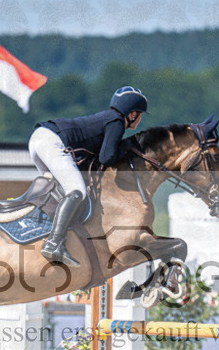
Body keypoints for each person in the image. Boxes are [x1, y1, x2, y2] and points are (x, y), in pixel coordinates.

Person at [30, 85, 148, 267]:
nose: (139, 120)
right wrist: (125, 148)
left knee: (61, 192)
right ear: (132, 114)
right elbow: (106, 157)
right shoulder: (116, 121)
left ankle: (43, 231)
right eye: (139, 115)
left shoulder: (108, 118)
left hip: (40, 139)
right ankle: (54, 243)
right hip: (52, 141)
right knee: (77, 191)